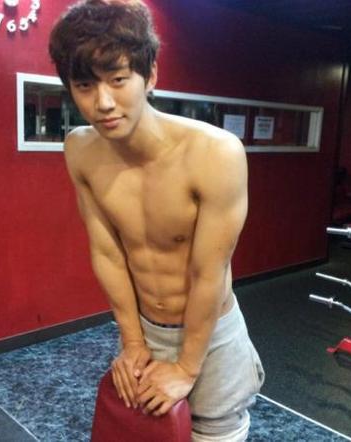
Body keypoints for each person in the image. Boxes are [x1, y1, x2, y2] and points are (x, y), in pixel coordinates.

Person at [49, 1, 264, 440]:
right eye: (85, 85)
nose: (103, 102)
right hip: (143, 330)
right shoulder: (80, 150)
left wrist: (187, 367)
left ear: (150, 75)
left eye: (118, 80)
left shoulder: (215, 153)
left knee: (215, 435)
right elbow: (107, 251)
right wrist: (132, 342)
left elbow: (208, 272)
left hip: (212, 336)